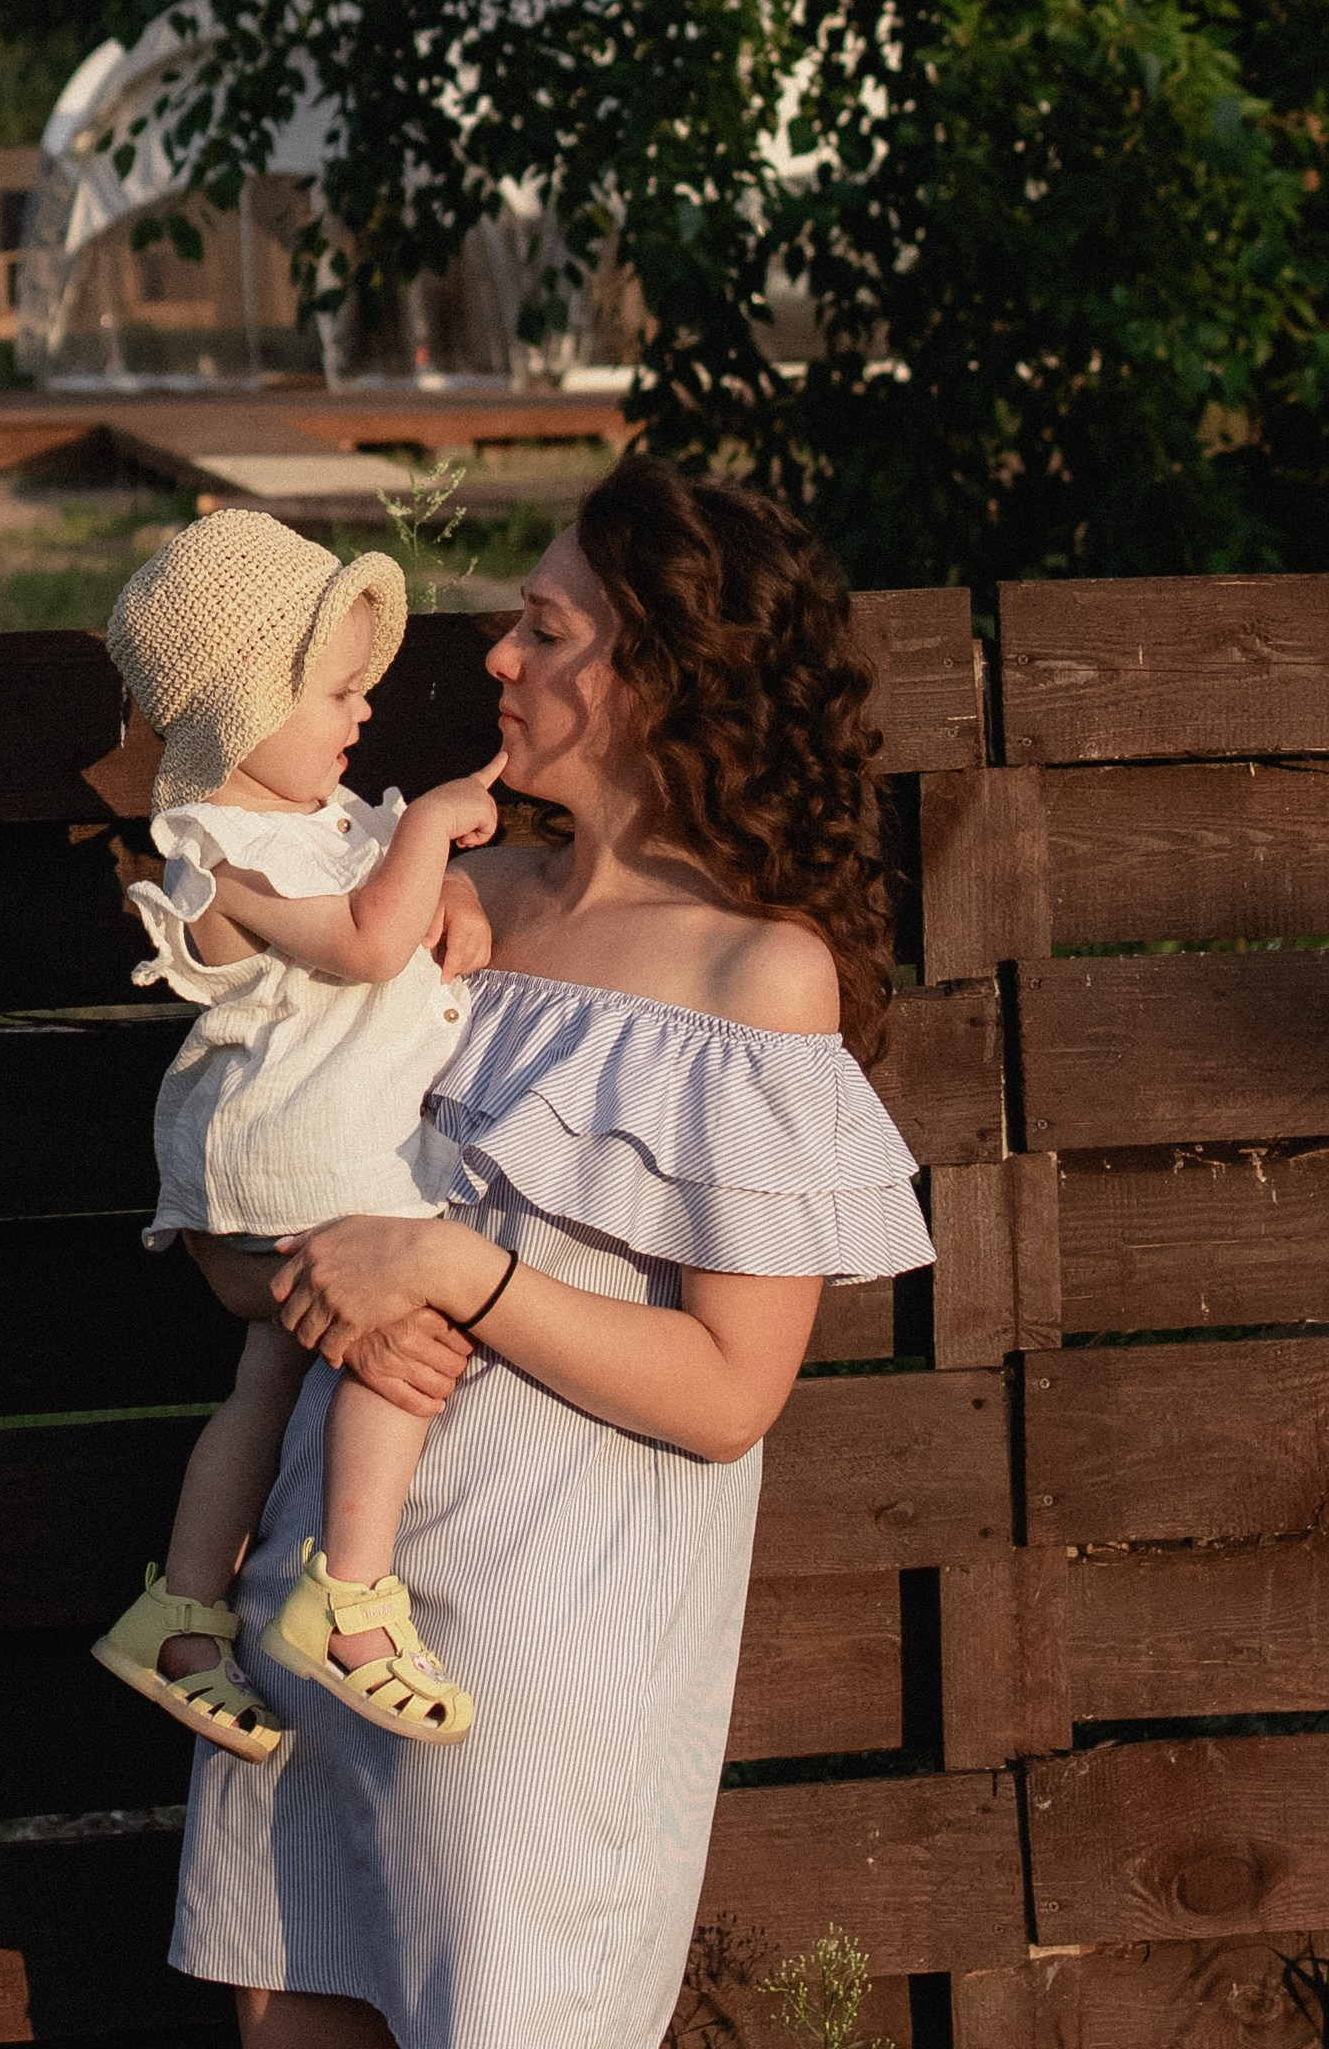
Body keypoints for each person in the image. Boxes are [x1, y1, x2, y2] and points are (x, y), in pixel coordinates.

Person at [168, 455, 934, 2049]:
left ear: (658, 675)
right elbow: (254, 1192)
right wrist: (285, 1263)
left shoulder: (755, 977)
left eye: (547, 630)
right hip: (326, 1595)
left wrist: (459, 1274)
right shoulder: (447, 904)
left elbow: (730, 1395)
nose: (499, 657)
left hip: (546, 1650)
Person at [94, 512, 507, 1761]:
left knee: (268, 1378)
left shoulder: (320, 822)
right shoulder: (226, 858)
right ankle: (353, 1597)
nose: (363, 713)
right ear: (241, 706)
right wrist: (433, 832)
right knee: (401, 1326)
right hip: (295, 1158)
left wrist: (457, 886)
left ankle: (180, 1617)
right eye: (335, 691)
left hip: (313, 1151)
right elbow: (370, 942)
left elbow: (395, 906)